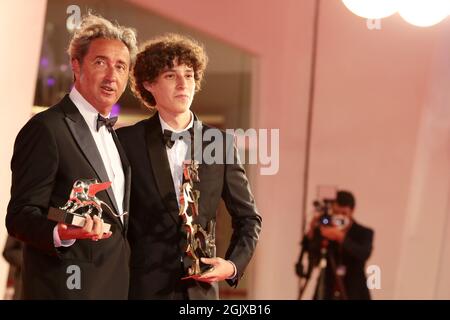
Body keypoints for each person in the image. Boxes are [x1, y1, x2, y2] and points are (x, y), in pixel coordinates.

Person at [117, 33, 262, 300]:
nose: (183, 84)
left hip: (201, 292)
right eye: (171, 76)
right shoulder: (126, 142)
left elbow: (249, 218)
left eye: (189, 75)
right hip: (141, 289)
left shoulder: (219, 143)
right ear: (149, 83)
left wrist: (232, 266)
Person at [6, 14, 137, 299]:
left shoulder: (116, 138)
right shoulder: (46, 128)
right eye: (100, 62)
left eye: (121, 66)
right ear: (76, 65)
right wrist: (60, 233)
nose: (112, 76)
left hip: (113, 288)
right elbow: (20, 216)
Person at [296, 190, 374, 300]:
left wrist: (341, 238)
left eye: (344, 213)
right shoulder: (325, 230)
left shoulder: (364, 232)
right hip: (327, 286)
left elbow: (364, 253)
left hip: (353, 290)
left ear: (352, 211)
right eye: (336, 213)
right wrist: (312, 232)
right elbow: (313, 257)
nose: (339, 217)